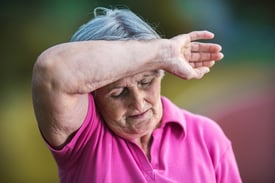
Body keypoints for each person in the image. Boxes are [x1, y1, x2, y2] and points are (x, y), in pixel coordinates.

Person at [31, 7, 242, 183]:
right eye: (118, 92)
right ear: (91, 93)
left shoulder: (207, 136)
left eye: (145, 82)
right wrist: (162, 53)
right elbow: (51, 71)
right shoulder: (84, 139)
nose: (138, 102)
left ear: (161, 72)